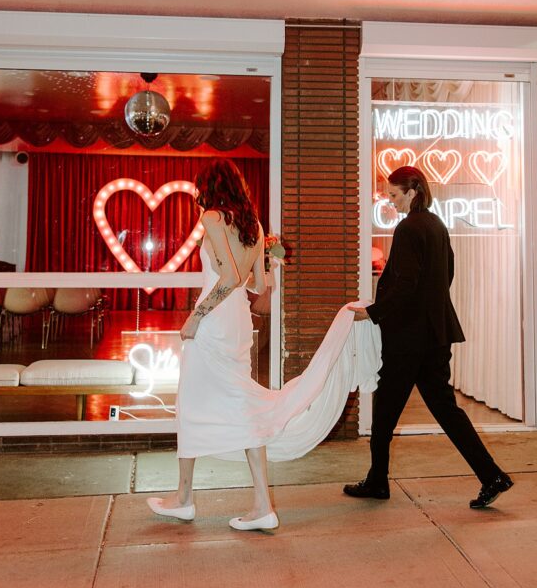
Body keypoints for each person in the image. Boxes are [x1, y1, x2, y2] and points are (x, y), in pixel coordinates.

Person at [147, 159, 381, 532]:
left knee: (191, 403)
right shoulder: (252, 225)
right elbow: (260, 289)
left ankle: (186, 499)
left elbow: (229, 276)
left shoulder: (211, 217)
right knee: (241, 406)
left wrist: (196, 315)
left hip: (215, 320)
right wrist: (271, 262)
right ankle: (258, 504)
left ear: (209, 186)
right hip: (238, 321)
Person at [345, 165, 513, 510]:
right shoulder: (437, 226)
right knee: (446, 410)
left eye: (394, 195)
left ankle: (377, 482)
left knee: (385, 409)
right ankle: (491, 476)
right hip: (436, 334)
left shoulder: (408, 228)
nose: (390, 202)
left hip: (408, 339)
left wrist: (373, 313)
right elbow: (445, 275)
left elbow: (406, 284)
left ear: (413, 191)